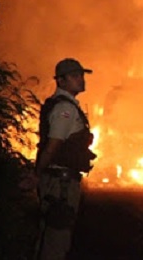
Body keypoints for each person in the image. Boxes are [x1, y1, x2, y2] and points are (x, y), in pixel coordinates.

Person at [33, 58, 97, 260]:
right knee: (56, 239)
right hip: (61, 182)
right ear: (60, 81)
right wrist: (37, 174)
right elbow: (53, 146)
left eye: (81, 75)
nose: (81, 79)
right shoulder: (65, 109)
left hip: (59, 179)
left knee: (52, 235)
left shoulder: (66, 106)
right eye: (75, 76)